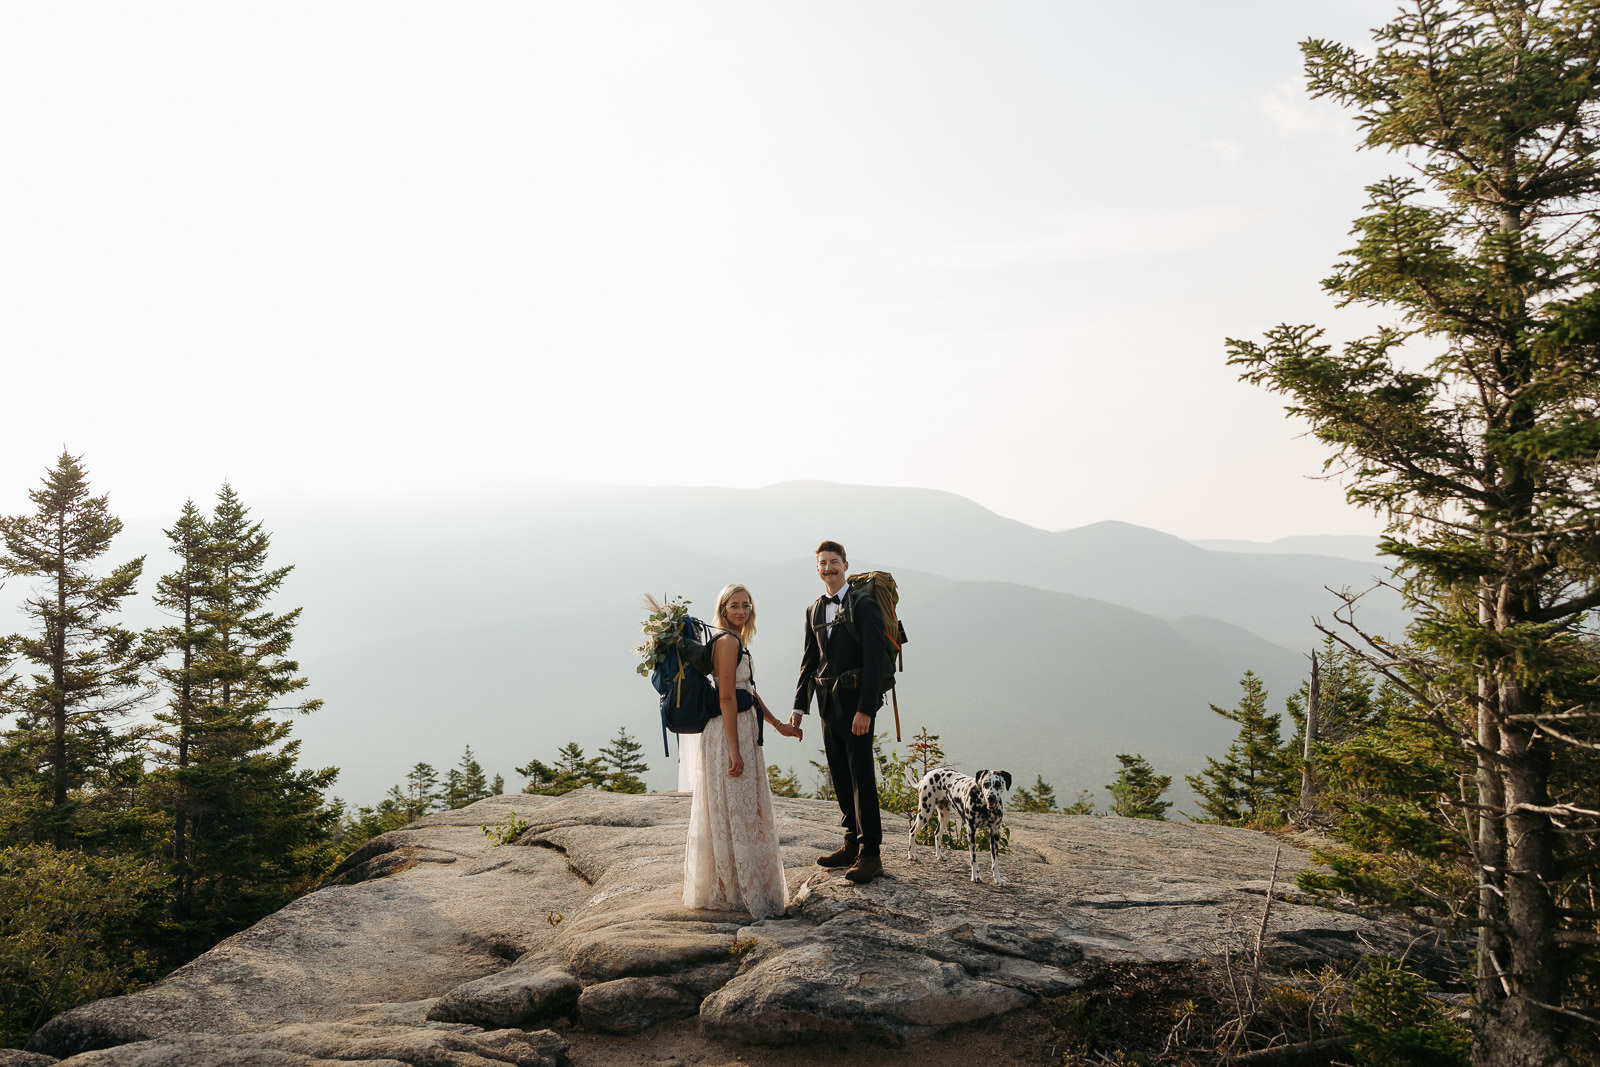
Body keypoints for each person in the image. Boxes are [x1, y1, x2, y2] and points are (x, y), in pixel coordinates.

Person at [683, 583, 802, 920]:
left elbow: (746, 689)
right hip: (727, 734)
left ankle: (739, 884)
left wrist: (779, 725)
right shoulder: (727, 641)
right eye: (734, 605)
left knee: (743, 811)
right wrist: (735, 750)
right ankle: (736, 890)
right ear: (722, 610)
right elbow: (726, 697)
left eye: (746, 605)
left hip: (742, 729)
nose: (741, 611)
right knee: (736, 810)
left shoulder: (737, 641)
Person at [791, 540, 891, 884]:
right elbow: (810, 660)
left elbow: (876, 660)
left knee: (862, 775)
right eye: (823, 563)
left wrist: (866, 709)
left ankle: (871, 854)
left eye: (834, 562)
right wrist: (799, 707)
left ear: (846, 565)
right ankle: (851, 842)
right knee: (840, 773)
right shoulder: (814, 609)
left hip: (856, 705)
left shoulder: (862, 605)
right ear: (817, 568)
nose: (828, 568)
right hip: (826, 704)